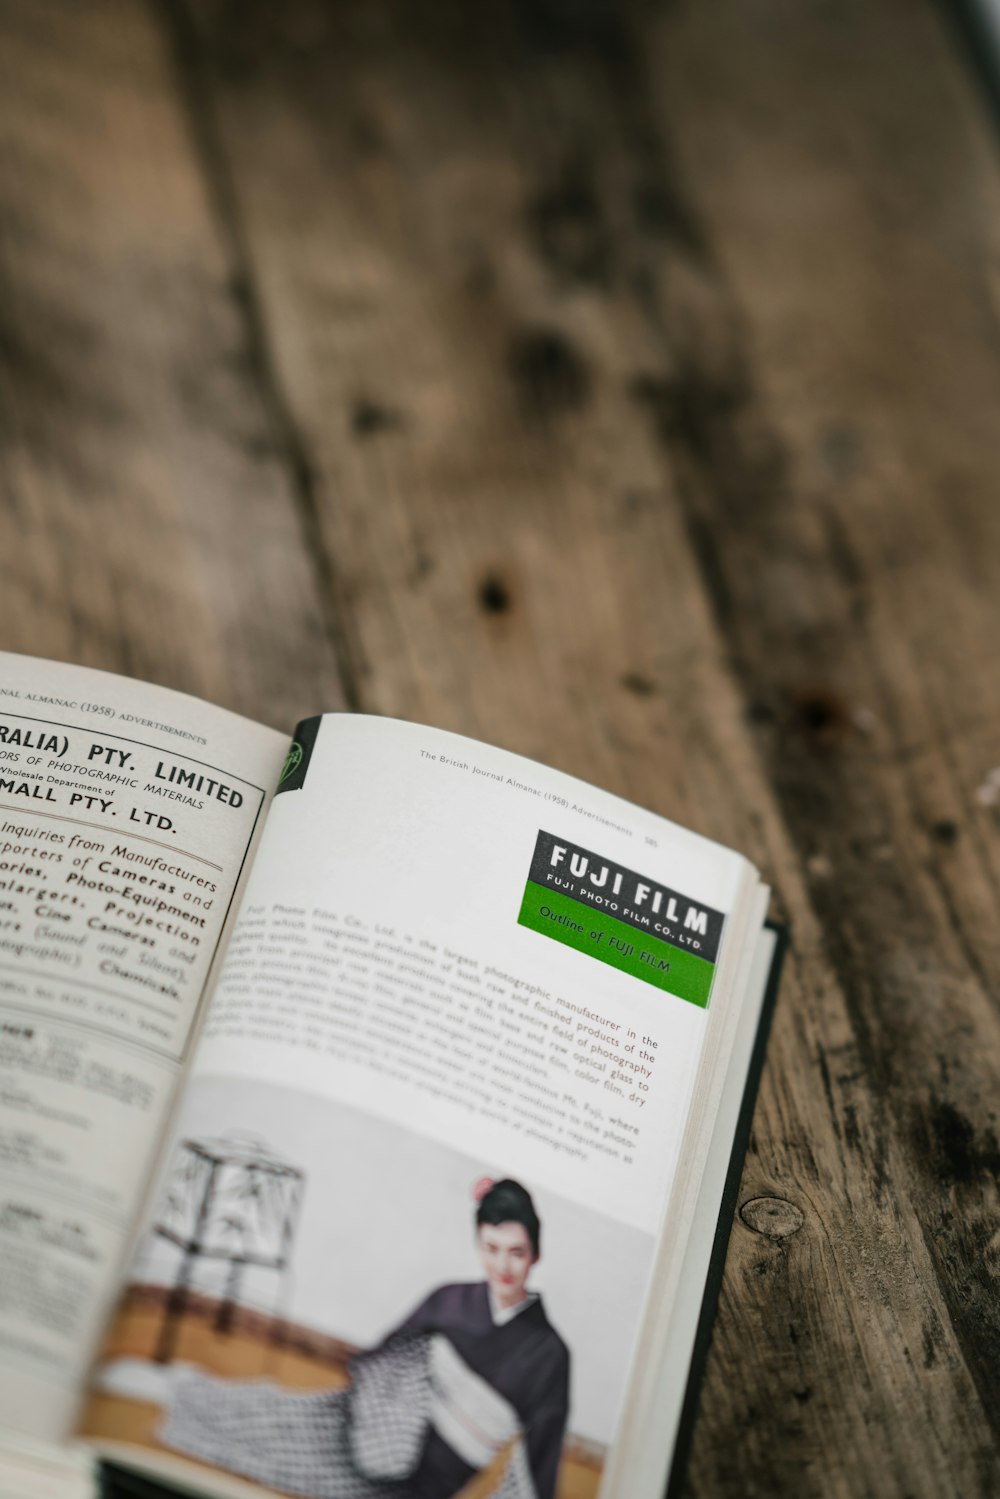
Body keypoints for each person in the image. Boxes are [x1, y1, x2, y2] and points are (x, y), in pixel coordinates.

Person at [160, 1178, 571, 1499]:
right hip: (377, 1430)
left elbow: (538, 1462)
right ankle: (182, 1390)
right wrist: (394, 1413)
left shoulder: (549, 1354)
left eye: (516, 1252)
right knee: (273, 1412)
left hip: (419, 1485)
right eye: (491, 1248)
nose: (502, 1265)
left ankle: (184, 1399)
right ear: (478, 1244)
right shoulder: (450, 1299)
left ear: (535, 1253)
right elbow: (383, 1356)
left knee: (281, 1463)